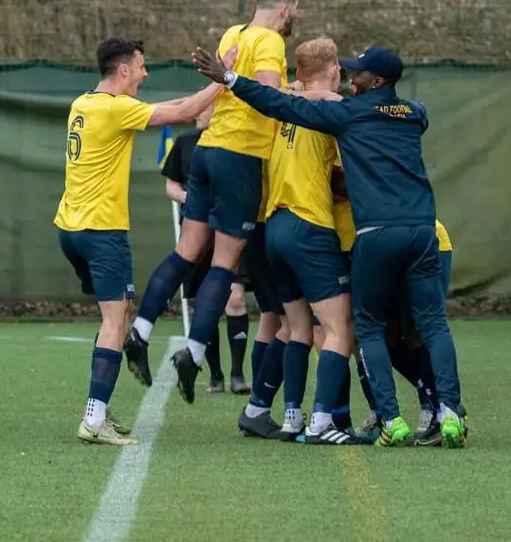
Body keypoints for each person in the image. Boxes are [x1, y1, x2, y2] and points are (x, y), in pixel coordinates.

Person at [192, 45, 468, 448]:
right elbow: (403, 112)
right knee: (432, 325)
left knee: (366, 327)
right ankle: (449, 413)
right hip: (424, 230)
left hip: (373, 233)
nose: (351, 78)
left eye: (358, 74)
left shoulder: (349, 115)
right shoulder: (414, 113)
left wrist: (230, 78)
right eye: (346, 72)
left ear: (375, 81)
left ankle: (389, 419)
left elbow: (277, 106)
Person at [125, 0, 301, 405]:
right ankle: (196, 354)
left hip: (206, 152)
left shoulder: (232, 34)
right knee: (223, 265)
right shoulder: (272, 41)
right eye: (296, 11)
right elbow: (269, 99)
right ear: (285, 10)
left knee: (187, 251)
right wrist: (300, 94)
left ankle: (140, 332)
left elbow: (231, 86)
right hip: (240, 157)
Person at [54, 38, 230, 445]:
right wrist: (225, 79)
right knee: (117, 321)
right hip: (101, 232)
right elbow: (185, 112)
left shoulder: (83, 103)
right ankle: (93, 420)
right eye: (142, 66)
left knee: (117, 313)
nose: (146, 73)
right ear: (123, 71)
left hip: (71, 227)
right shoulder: (117, 108)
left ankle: (99, 409)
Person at [244, 37, 364, 445]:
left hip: (274, 225)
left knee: (296, 328)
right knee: (340, 327)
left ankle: (293, 417)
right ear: (334, 70)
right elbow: (347, 178)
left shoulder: (284, 108)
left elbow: (287, 91)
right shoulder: (331, 108)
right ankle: (322, 422)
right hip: (309, 223)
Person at [161, 102, 252, 395]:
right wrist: (189, 196)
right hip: (197, 232)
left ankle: (238, 374)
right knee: (204, 301)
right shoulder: (184, 143)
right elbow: (171, 186)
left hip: (230, 228)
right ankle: (215, 374)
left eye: (210, 108)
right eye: (201, 109)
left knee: (235, 298)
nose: (203, 113)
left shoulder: (237, 140)